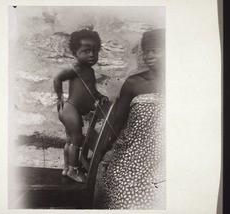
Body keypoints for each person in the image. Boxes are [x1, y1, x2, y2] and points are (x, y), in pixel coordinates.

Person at [102, 29, 166, 209]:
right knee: (126, 196)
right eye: (146, 51)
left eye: (155, 50)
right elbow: (116, 123)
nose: (149, 56)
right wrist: (100, 153)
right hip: (132, 158)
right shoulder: (134, 83)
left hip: (164, 158)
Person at [53, 29, 108, 183]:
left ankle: (66, 167)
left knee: (70, 140)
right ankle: (73, 170)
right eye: (86, 51)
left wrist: (99, 96)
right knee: (77, 139)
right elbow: (57, 78)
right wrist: (59, 97)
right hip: (70, 109)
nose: (92, 55)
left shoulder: (89, 70)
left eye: (95, 51)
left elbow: (91, 90)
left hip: (71, 110)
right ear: (75, 52)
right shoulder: (77, 68)